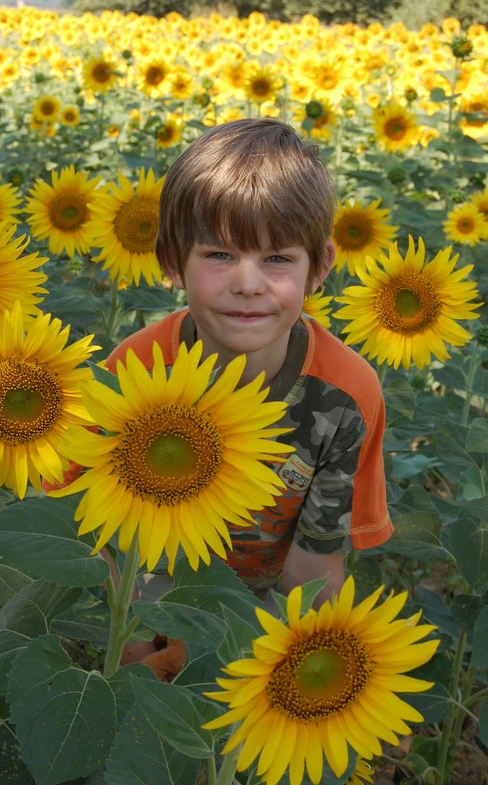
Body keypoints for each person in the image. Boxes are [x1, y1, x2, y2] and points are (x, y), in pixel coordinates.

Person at [105, 117, 393, 675]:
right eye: (218, 255)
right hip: (151, 596)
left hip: (268, 619)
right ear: (171, 261)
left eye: (277, 259)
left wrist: (278, 674)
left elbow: (315, 570)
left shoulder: (345, 395)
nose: (248, 283)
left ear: (320, 268)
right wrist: (136, 655)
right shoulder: (135, 370)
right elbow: (107, 540)